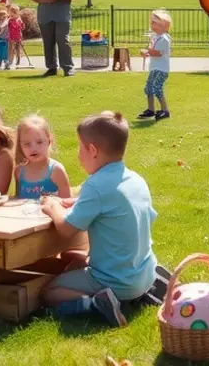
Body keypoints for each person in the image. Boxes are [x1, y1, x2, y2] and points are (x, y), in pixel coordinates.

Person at [40, 111, 158, 328]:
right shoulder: (135, 180)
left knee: (49, 292)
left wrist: (54, 207)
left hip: (115, 280)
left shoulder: (96, 185)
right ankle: (138, 295)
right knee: (71, 256)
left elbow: (66, 229)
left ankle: (96, 303)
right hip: (144, 273)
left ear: (92, 150)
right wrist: (75, 202)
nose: (78, 155)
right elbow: (113, 207)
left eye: (80, 148)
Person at [30, 0, 81, 77]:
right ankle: (51, 67)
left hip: (62, 16)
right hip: (45, 16)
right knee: (48, 42)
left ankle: (68, 68)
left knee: (63, 41)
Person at [14, 114, 71, 199]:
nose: (34, 148)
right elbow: (17, 200)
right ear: (20, 146)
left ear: (49, 140)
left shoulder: (56, 171)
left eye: (39, 142)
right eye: (27, 144)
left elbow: (67, 203)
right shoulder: (19, 172)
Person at [137, 10, 172, 121]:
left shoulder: (164, 39)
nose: (152, 25)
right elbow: (154, 52)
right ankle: (151, 109)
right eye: (152, 22)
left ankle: (165, 110)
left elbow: (158, 53)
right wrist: (147, 52)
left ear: (164, 26)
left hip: (161, 69)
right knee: (148, 88)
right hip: (154, 68)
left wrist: (147, 51)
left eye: (154, 23)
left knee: (157, 88)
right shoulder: (155, 37)